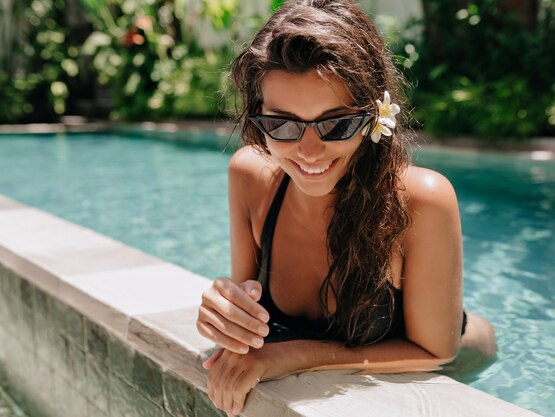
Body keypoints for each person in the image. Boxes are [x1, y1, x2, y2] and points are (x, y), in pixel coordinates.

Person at [196, 1, 497, 416]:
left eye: (336, 124)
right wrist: (227, 314)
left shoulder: (422, 199)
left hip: (462, 358)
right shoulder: (249, 177)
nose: (309, 152)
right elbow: (248, 309)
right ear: (256, 118)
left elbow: (434, 350)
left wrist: (292, 355)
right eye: (282, 125)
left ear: (374, 118)